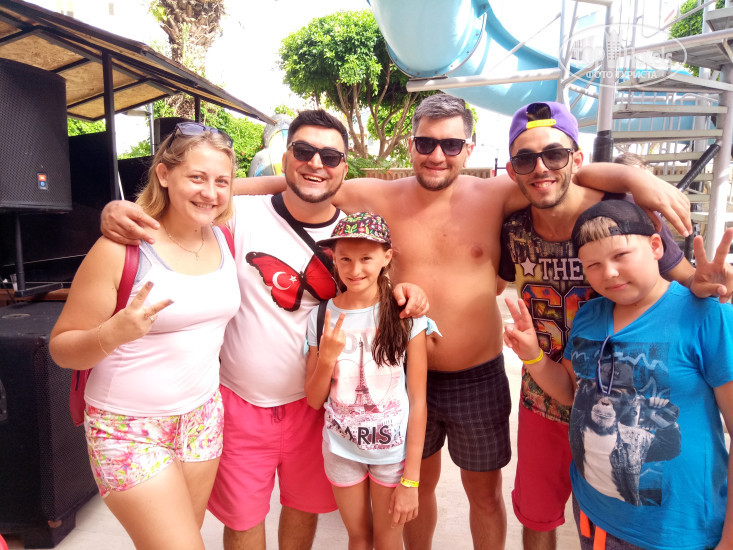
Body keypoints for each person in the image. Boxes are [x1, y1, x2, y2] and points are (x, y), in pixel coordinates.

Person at [102, 94, 693, 550]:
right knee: (413, 490)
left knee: (485, 492)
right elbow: (276, 185)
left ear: (469, 147)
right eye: (426, 142)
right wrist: (137, 204)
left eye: (451, 144)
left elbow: (568, 175)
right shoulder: (375, 194)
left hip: (477, 373)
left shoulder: (495, 193)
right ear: (411, 145)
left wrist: (635, 178)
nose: (438, 155)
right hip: (402, 379)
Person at [99, 109, 427, 550]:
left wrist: (408, 290)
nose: (316, 163)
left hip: (316, 409)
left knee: (303, 508)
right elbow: (197, 193)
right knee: (243, 519)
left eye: (330, 156)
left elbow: (379, 284)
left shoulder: (351, 232)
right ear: (284, 156)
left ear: (344, 167)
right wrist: (120, 208)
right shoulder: (240, 215)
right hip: (242, 402)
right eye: (303, 151)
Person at [497, 101, 733, 550]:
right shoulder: (512, 228)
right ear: (513, 169)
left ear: (577, 159)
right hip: (548, 392)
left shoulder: (621, 214)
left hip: (632, 401)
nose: (541, 167)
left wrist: (715, 290)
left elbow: (692, 288)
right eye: (526, 159)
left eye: (555, 154)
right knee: (543, 515)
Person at [49, 122, 240, 550]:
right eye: (197, 177)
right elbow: (62, 349)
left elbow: (290, 186)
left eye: (221, 181)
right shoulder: (121, 248)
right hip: (128, 428)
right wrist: (112, 333)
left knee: (184, 537)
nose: (210, 192)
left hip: (202, 418)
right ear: (164, 174)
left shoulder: (224, 237)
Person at [305, 212, 430, 549]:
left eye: (366, 258)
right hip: (341, 450)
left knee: (388, 540)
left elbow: (418, 401)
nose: (355, 269)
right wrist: (327, 358)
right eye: (345, 258)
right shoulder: (320, 316)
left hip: (391, 454)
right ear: (333, 258)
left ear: (386, 257)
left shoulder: (406, 316)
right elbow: (314, 400)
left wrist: (411, 480)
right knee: (358, 538)